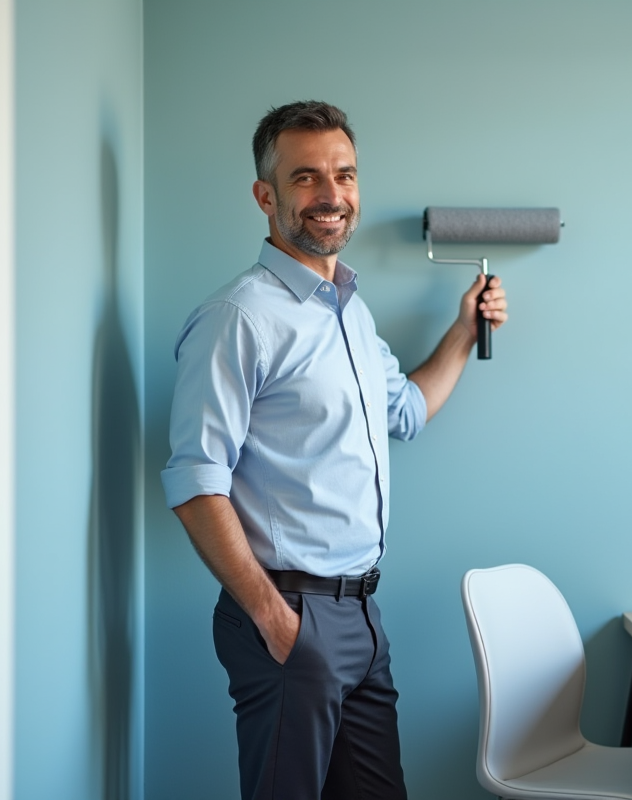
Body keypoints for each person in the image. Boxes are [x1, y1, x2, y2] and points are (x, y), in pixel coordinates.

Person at [161, 100, 506, 800]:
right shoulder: (239, 318)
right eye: (306, 178)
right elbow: (196, 482)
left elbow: (405, 410)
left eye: (344, 176)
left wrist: (464, 332)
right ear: (266, 195)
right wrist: (274, 620)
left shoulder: (350, 309)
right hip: (291, 616)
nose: (331, 196)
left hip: (362, 618)